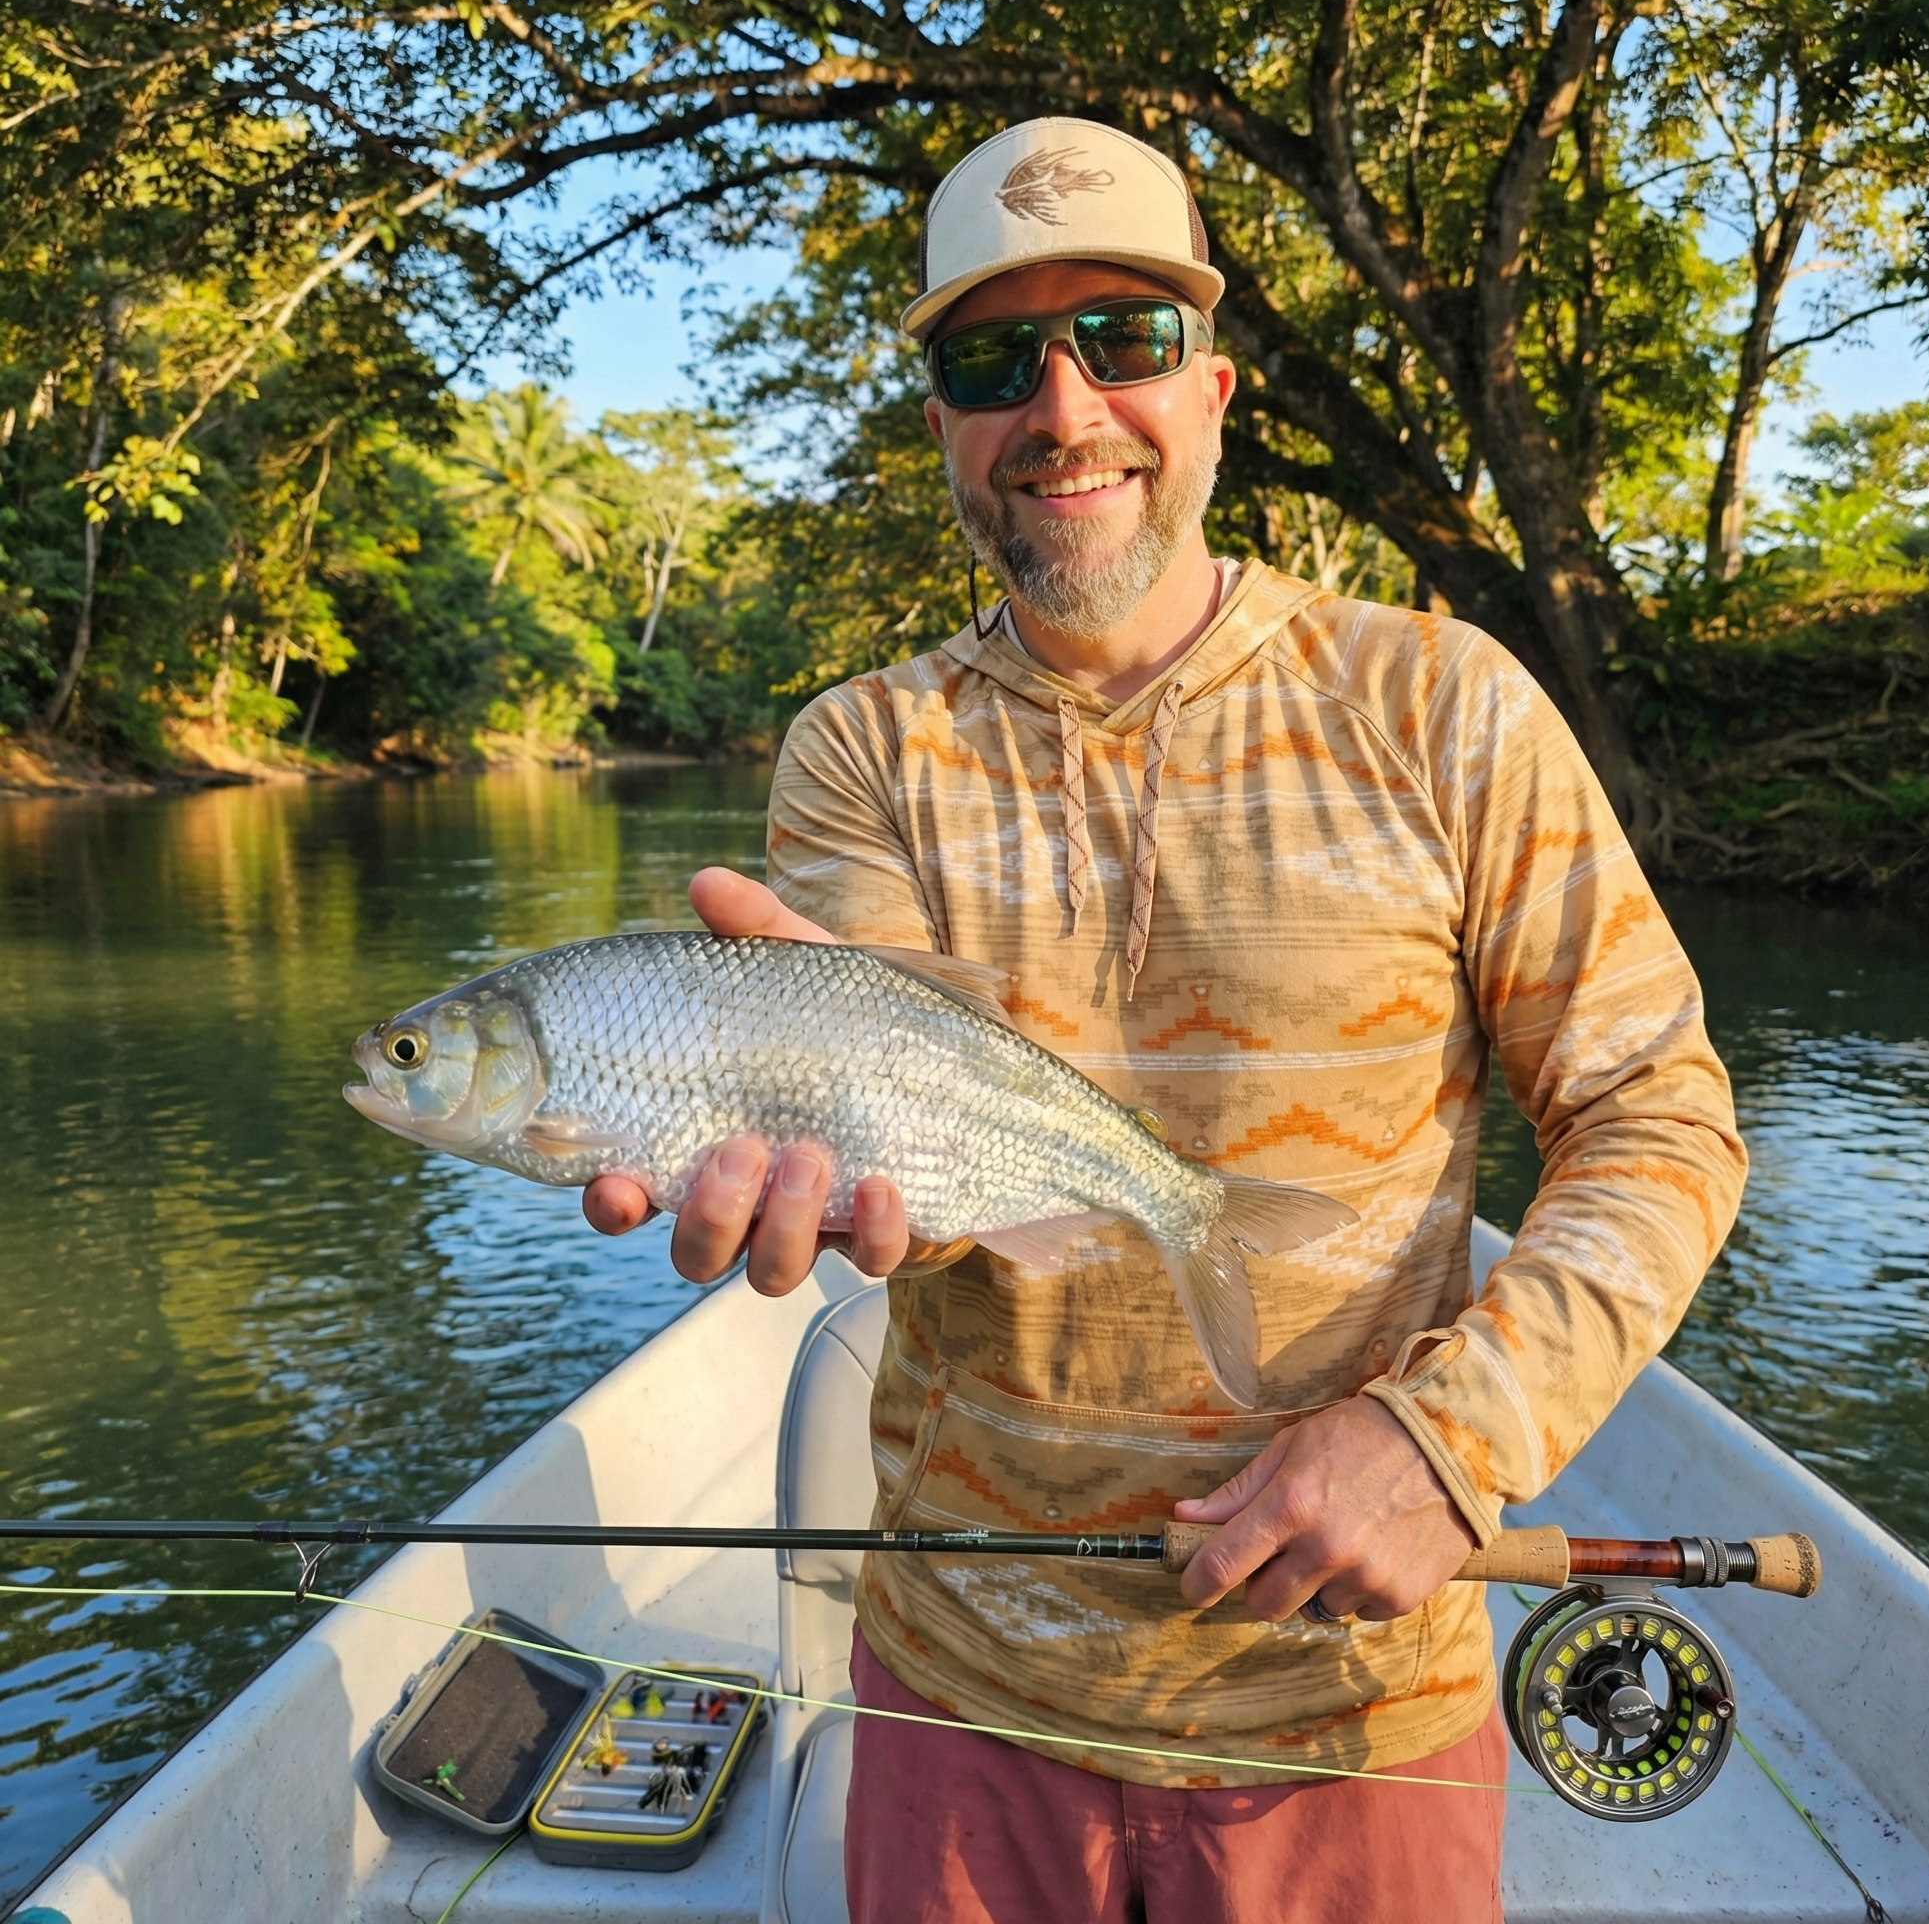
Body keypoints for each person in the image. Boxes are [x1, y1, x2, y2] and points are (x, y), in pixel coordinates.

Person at [583, 117, 1747, 1922]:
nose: (1062, 408)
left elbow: (1656, 1115)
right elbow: (893, 1127)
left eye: (1117, 340)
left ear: (1212, 390)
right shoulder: (860, 750)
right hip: (960, 1694)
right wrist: (777, 1137)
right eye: (990, 359)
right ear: (944, 427)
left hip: (1354, 1706)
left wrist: (1456, 1442)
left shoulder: (1444, 703)